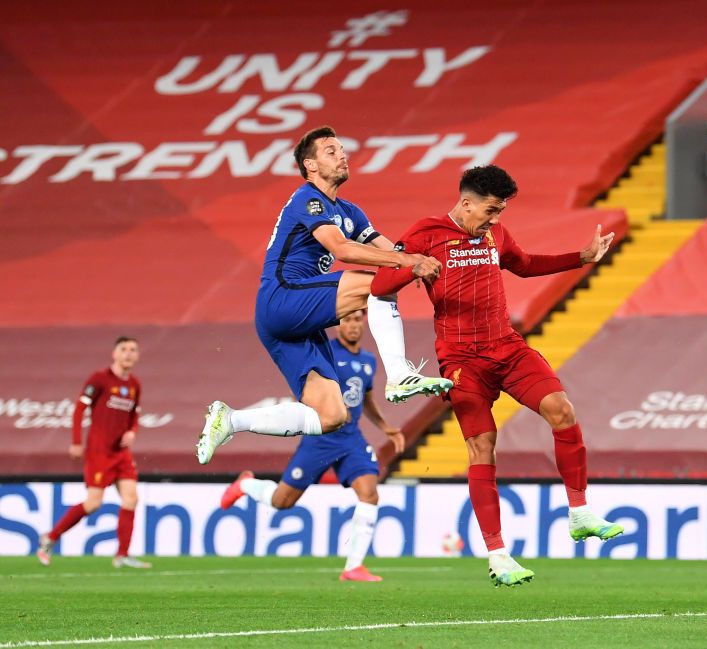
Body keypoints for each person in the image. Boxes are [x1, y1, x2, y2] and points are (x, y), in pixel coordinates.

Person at [371, 165, 623, 587]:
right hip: (461, 359)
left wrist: (579, 257)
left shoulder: (494, 235)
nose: (495, 220)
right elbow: (381, 285)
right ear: (466, 203)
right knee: (482, 445)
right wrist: (412, 267)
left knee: (562, 410)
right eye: (490, 210)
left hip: (506, 347)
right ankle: (498, 553)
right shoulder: (426, 234)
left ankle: (579, 512)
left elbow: (522, 264)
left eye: (500, 212)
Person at [195, 125, 451, 465]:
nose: (342, 155)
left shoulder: (350, 211)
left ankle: (230, 420)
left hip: (292, 322)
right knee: (376, 284)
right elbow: (341, 249)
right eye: (331, 151)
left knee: (332, 416)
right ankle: (398, 373)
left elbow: (392, 252)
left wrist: (432, 263)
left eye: (342, 149)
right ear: (310, 165)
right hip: (281, 300)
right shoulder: (307, 198)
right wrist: (407, 263)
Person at [220, 310, 400, 582]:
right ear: (338, 325)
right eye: (347, 320)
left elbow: (368, 398)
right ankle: (245, 484)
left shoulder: (368, 361)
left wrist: (386, 427)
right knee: (282, 501)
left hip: (351, 439)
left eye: (357, 320)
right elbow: (305, 389)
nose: (352, 325)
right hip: (320, 438)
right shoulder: (325, 352)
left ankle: (353, 567)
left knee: (370, 494)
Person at [37, 336, 151, 569]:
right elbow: (80, 409)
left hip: (121, 454)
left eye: (133, 350)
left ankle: (122, 555)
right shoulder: (99, 379)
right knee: (93, 503)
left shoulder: (134, 385)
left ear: (138, 355)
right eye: (124, 349)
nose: (129, 353)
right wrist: (77, 441)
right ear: (115, 354)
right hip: (99, 452)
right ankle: (50, 538)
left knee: (131, 498)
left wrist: (132, 432)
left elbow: (135, 416)